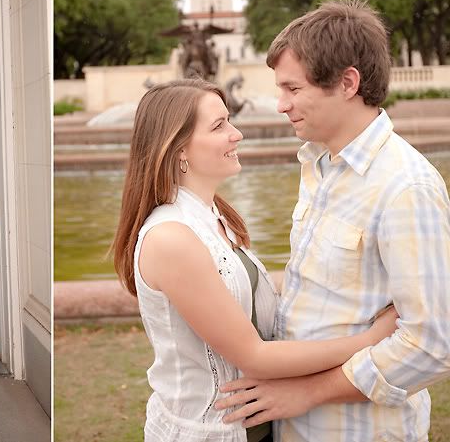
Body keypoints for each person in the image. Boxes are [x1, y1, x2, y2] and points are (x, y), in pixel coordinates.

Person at [110, 78, 398, 442]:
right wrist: (371, 339)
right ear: (178, 148)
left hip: (258, 428)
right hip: (208, 433)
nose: (236, 134)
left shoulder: (216, 218)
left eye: (229, 120)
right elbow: (254, 356)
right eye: (219, 126)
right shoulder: (171, 238)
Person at [215, 0, 450, 441]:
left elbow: (434, 345)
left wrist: (308, 392)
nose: (280, 104)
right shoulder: (319, 166)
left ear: (347, 83)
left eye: (293, 89)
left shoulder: (405, 187)